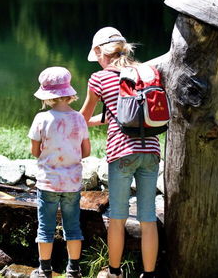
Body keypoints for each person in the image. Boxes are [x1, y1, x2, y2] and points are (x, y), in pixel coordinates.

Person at [80, 27, 160, 278]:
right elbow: (124, 111)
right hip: (151, 150)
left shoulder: (100, 78)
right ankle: (149, 274)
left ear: (99, 52)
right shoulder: (146, 72)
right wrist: (99, 120)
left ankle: (114, 272)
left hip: (121, 152)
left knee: (117, 217)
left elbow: (81, 117)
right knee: (148, 218)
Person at [28, 66, 91, 278]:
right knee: (73, 227)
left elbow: (35, 151)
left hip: (48, 182)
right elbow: (86, 151)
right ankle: (74, 269)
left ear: (47, 96)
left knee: (45, 228)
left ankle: (44, 269)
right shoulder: (79, 119)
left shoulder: (41, 119)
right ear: (68, 93)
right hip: (72, 183)